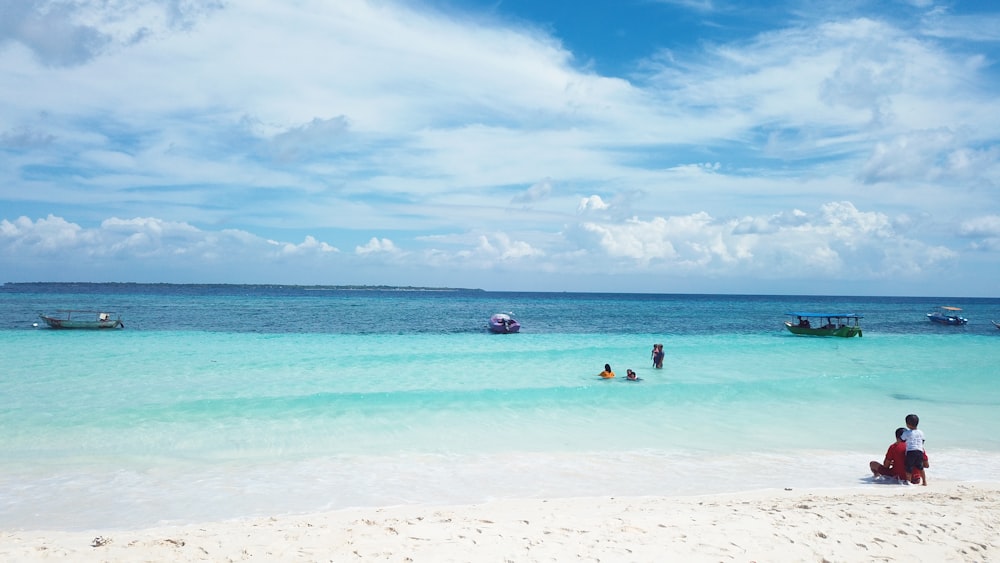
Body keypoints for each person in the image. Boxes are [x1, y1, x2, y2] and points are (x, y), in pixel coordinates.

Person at [901, 413, 927, 486]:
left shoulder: (907, 433)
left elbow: (902, 439)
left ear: (907, 424)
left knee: (908, 468)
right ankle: (924, 482)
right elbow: (923, 441)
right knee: (921, 467)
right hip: (919, 451)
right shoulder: (921, 432)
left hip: (911, 451)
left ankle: (908, 482)